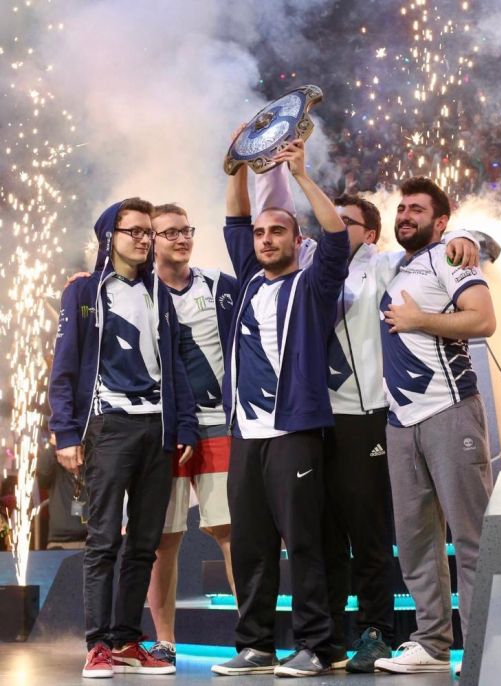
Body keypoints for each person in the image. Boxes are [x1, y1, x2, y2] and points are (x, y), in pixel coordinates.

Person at [255, 166, 479, 674]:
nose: (331, 226)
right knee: (324, 533)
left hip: (369, 415)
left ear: (371, 234)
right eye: (328, 220)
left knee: (369, 531)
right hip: (315, 418)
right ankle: (328, 640)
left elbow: (444, 251)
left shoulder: (385, 266)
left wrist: (465, 235)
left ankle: (377, 631)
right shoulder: (308, 268)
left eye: (346, 221)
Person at [211, 138, 349, 679]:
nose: (266, 239)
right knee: (251, 545)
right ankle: (256, 645)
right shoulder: (249, 279)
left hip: (294, 430)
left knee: (304, 542)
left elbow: (335, 237)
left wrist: (302, 177)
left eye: (277, 231)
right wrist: (236, 162)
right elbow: (235, 216)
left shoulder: (313, 285)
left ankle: (318, 645)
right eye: (261, 233)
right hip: (246, 433)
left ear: (297, 240)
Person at [49, 197, 198, 679]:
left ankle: (127, 641)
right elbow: (65, 365)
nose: (143, 239)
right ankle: (97, 645)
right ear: (108, 237)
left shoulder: (160, 294)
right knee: (103, 540)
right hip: (108, 427)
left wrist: (185, 424)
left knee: (145, 544)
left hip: (158, 430)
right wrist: (64, 430)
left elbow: (176, 364)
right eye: (133, 230)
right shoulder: (85, 291)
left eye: (147, 231)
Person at [373, 177, 496, 675]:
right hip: (401, 420)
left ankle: (484, 645)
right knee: (417, 541)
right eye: (401, 208)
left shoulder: (451, 255)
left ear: (441, 221)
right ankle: (432, 643)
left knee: (471, 536)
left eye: (417, 210)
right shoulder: (396, 267)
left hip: (449, 409)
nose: (405, 216)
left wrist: (420, 319)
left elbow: (483, 320)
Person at [146, 203, 238, 665]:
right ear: (151, 241)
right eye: (170, 233)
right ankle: (165, 642)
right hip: (166, 433)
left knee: (230, 531)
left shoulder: (220, 286)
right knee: (164, 539)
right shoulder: (138, 293)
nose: (182, 238)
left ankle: (253, 638)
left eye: (186, 230)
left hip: (220, 424)